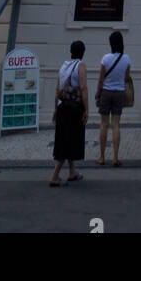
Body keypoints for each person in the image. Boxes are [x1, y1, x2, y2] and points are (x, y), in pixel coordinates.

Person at [50, 40, 88, 185]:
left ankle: (72, 172)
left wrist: (55, 110)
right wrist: (87, 109)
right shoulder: (81, 65)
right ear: (83, 52)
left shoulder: (63, 66)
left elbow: (57, 91)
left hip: (62, 107)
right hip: (74, 108)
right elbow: (83, 88)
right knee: (68, 141)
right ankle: (54, 175)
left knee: (65, 138)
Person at [96, 31, 131, 166]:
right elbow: (127, 78)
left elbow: (101, 79)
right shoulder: (126, 59)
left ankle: (102, 157)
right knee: (116, 125)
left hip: (106, 92)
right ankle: (116, 158)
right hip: (119, 93)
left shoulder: (105, 58)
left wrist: (98, 93)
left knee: (104, 124)